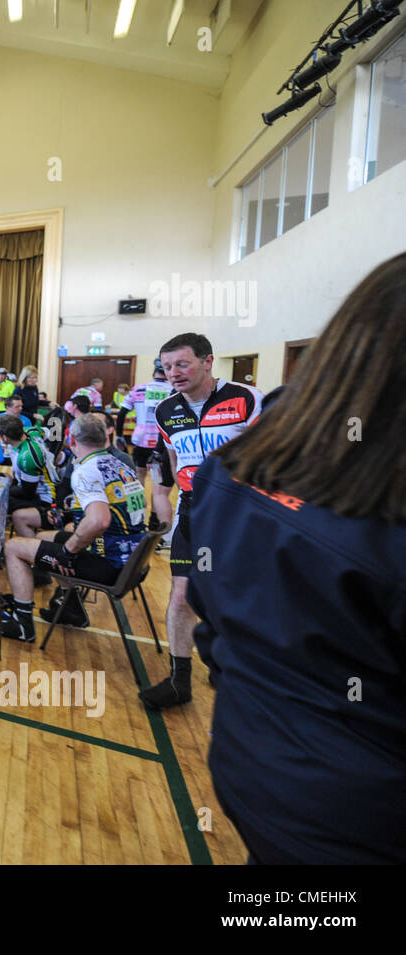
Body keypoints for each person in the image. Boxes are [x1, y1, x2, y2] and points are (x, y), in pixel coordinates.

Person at [188, 253, 406, 863]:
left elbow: (213, 610)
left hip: (254, 761)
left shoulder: (236, 462)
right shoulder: (382, 523)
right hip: (361, 814)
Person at [141, 332, 262, 711]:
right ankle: (179, 682)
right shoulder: (166, 411)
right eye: (167, 366)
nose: (173, 373)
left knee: (230, 596)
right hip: (193, 509)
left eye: (182, 364)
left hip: (239, 511)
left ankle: (228, 661)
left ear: (208, 361)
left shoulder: (245, 399)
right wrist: (164, 498)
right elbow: (173, 460)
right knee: (182, 595)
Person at [0, 414, 146, 641]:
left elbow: (98, 521)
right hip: (133, 558)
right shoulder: (118, 463)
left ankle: (22, 623)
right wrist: (69, 512)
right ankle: (71, 606)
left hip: (110, 563)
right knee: (45, 536)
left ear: (72, 441)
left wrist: (69, 551)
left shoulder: (86, 470)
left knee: (13, 547)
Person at [0, 412, 61, 541]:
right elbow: (53, 432)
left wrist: (4, 487)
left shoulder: (26, 457)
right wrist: (53, 455)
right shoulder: (31, 430)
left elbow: (27, 492)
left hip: (43, 498)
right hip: (34, 487)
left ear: (5, 438)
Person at [115, 359, 174, 501]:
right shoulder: (172, 390)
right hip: (163, 442)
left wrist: (119, 436)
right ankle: (154, 520)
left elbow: (122, 413)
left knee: (138, 475)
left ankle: (138, 513)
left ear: (153, 371)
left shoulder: (139, 389)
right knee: (157, 481)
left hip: (141, 439)